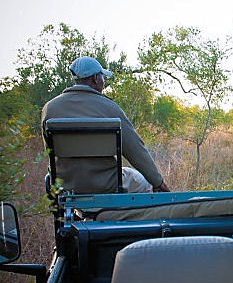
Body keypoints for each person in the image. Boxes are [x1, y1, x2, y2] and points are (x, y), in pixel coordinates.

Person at [41, 56, 170, 194]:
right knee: (141, 181)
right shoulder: (110, 108)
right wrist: (157, 182)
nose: (104, 81)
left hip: (64, 185)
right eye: (103, 77)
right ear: (95, 78)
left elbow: (49, 151)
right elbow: (135, 149)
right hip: (106, 185)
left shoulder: (50, 108)